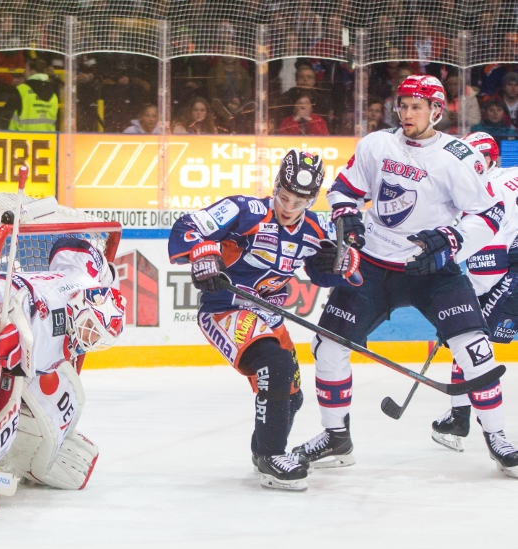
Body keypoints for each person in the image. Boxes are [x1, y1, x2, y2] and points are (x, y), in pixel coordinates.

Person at [292, 75, 518, 477]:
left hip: (432, 270)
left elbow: (489, 215)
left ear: (436, 110)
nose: (406, 112)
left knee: (475, 349)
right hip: (373, 265)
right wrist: (346, 216)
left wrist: (451, 240)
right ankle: (335, 437)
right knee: (327, 347)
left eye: (416, 106)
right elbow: (344, 189)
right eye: (403, 104)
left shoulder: (457, 156)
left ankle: (498, 438)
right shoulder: (377, 144)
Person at [168, 150, 362, 492]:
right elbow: (188, 227)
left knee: (291, 396)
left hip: (269, 316)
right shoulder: (245, 210)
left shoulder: (316, 229)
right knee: (275, 364)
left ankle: (263, 452)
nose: (288, 207)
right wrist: (204, 254)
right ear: (275, 186)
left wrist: (341, 266)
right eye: (284, 196)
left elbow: (327, 272)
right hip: (226, 309)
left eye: (299, 200)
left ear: (312, 199)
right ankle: (272, 455)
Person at [0, 238, 126, 512]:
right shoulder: (46, 341)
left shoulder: (84, 279)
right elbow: (9, 334)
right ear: (85, 304)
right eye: (90, 327)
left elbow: (70, 246)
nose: (87, 339)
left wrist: (106, 277)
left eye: (96, 339)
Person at [432, 133, 518, 477]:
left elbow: (486, 268)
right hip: (504, 270)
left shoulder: (484, 190)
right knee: (469, 341)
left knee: (475, 343)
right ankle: (459, 418)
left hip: (507, 273)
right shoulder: (497, 180)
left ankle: (465, 420)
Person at [5, 58, 59, 132]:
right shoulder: (54, 92)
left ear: (32, 72)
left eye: (26, 70)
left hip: (21, 140)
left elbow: (6, 115)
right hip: (48, 140)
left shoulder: (21, 90)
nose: (24, 73)